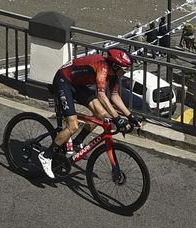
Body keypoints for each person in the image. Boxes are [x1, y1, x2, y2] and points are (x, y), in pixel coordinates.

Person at [42, 47, 139, 177]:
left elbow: (114, 95)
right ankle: (46, 156)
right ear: (115, 66)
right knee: (73, 126)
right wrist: (117, 118)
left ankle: (77, 142)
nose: (125, 72)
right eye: (124, 69)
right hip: (63, 80)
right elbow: (101, 95)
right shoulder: (103, 67)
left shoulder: (114, 74)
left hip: (77, 84)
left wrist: (130, 116)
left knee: (101, 115)